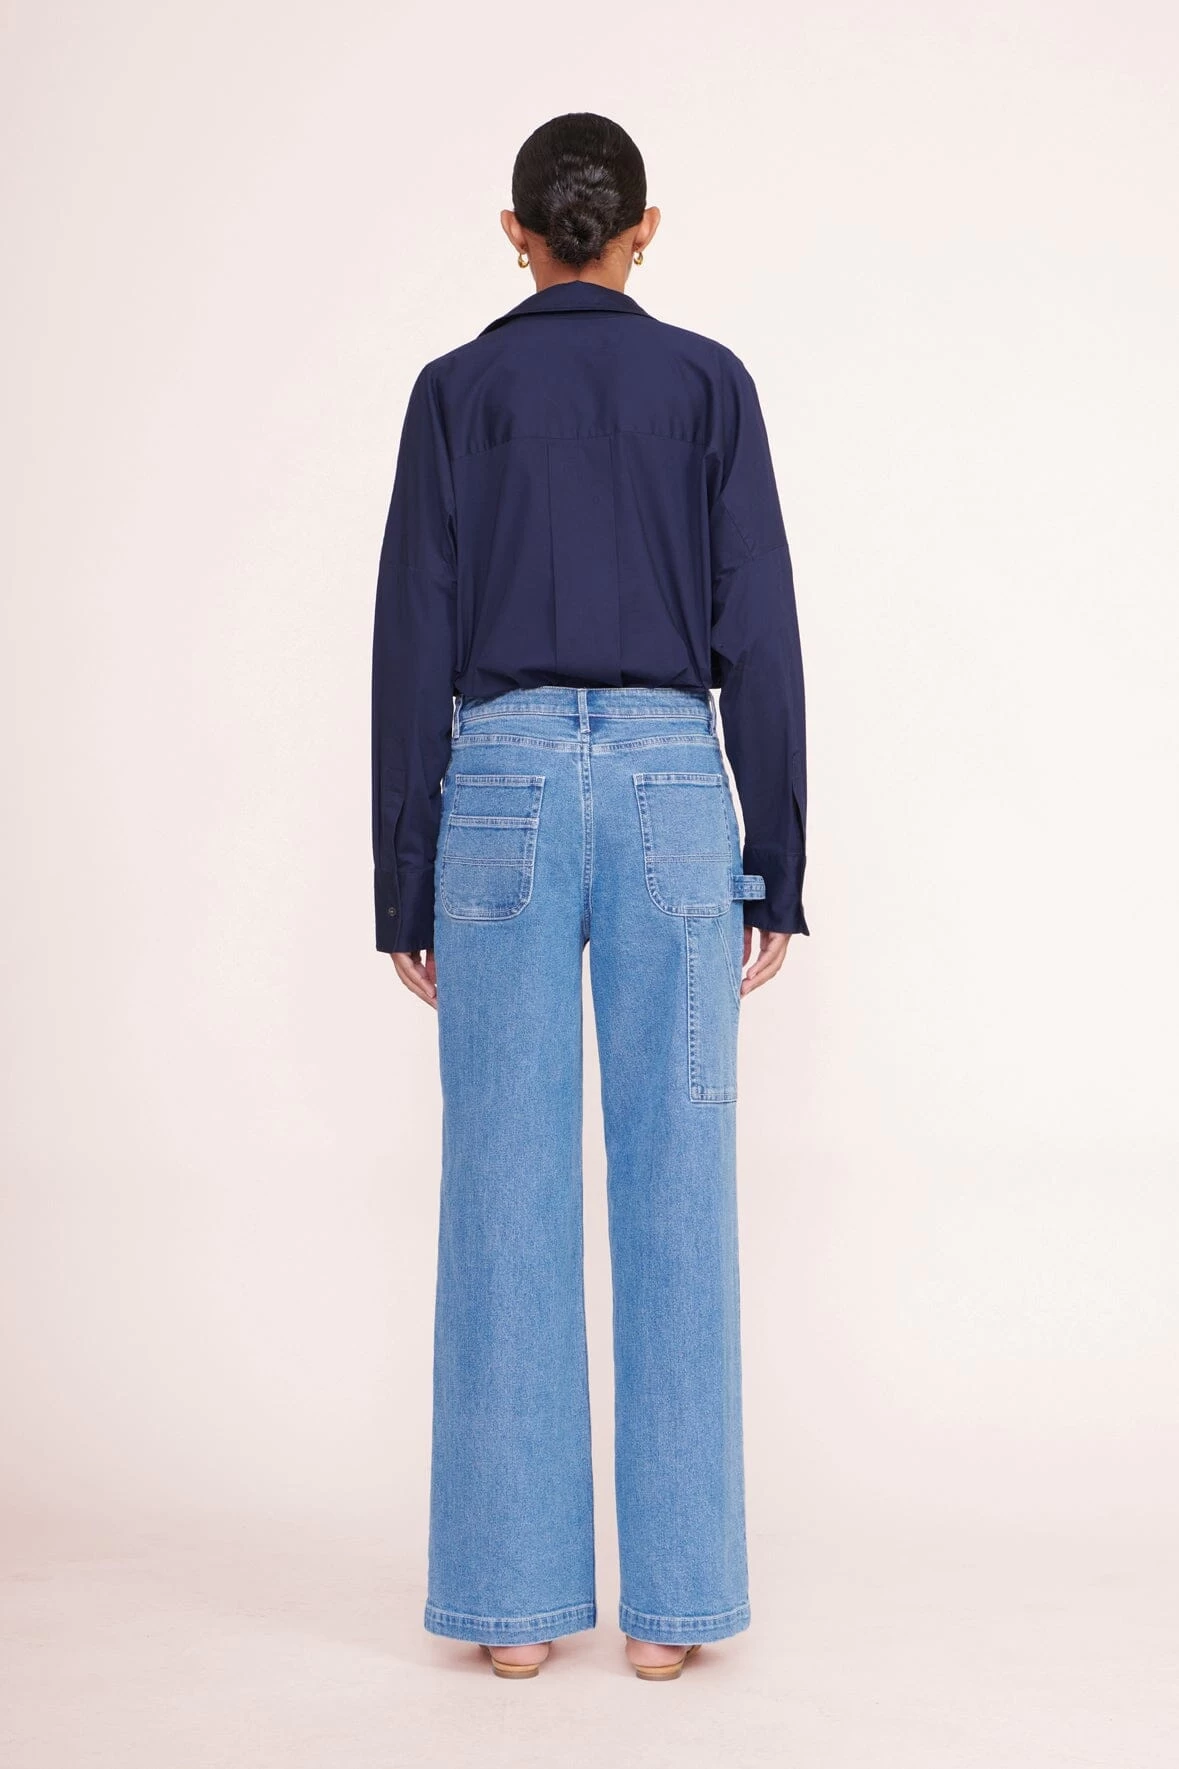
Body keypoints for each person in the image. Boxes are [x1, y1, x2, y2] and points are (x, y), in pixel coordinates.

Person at [371, 112, 809, 1681]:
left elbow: (412, 634)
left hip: (495, 787)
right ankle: (672, 1620)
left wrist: (403, 874)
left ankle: (512, 1618)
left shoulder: (454, 391)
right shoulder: (706, 383)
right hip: (672, 786)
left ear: (513, 232)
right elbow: (755, 622)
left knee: (501, 1190)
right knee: (678, 1190)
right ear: (643, 229)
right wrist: (779, 857)